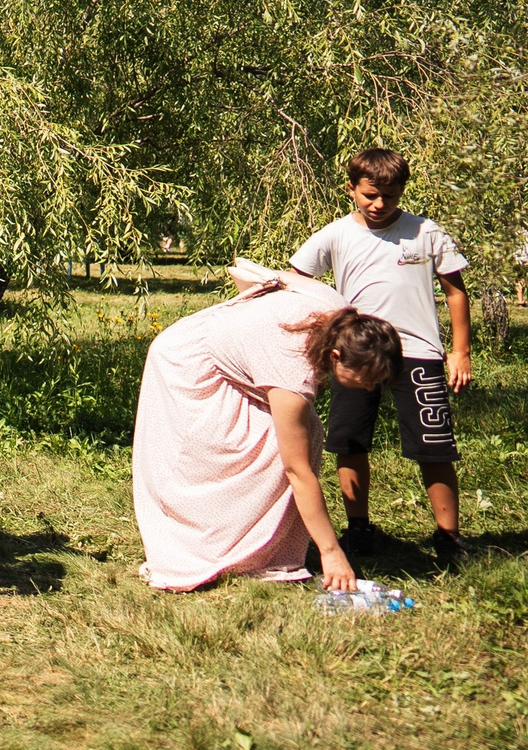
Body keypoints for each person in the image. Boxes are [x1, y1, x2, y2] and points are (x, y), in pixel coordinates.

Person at [132, 266, 401, 591]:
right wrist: (332, 553)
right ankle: (201, 549)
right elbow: (298, 472)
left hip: (232, 354)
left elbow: (270, 274)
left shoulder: (341, 313)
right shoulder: (292, 368)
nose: (372, 390)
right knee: (253, 449)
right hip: (188, 360)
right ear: (336, 355)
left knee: (307, 433)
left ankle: (255, 549)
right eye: (368, 380)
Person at [287, 149, 475, 564]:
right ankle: (358, 531)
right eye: (370, 195)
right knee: (350, 441)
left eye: (389, 196)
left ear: (401, 192)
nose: (379, 204)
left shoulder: (425, 232)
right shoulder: (334, 234)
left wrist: (459, 351)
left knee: (435, 447)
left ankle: (449, 538)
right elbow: (296, 282)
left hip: (418, 353)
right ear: (351, 188)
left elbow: (456, 291)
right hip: (354, 355)